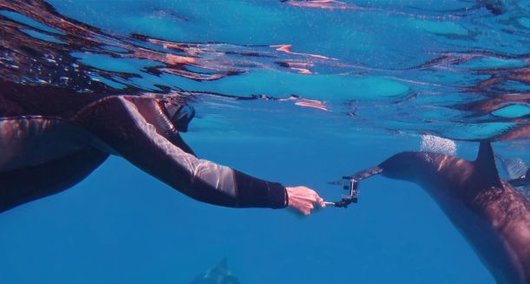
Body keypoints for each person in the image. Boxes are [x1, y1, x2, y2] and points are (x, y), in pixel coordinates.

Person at [0, 81, 325, 215]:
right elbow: (195, 177)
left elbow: (181, 159)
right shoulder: (110, 110)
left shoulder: (106, 124)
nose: (179, 127)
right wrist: (284, 196)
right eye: (181, 114)